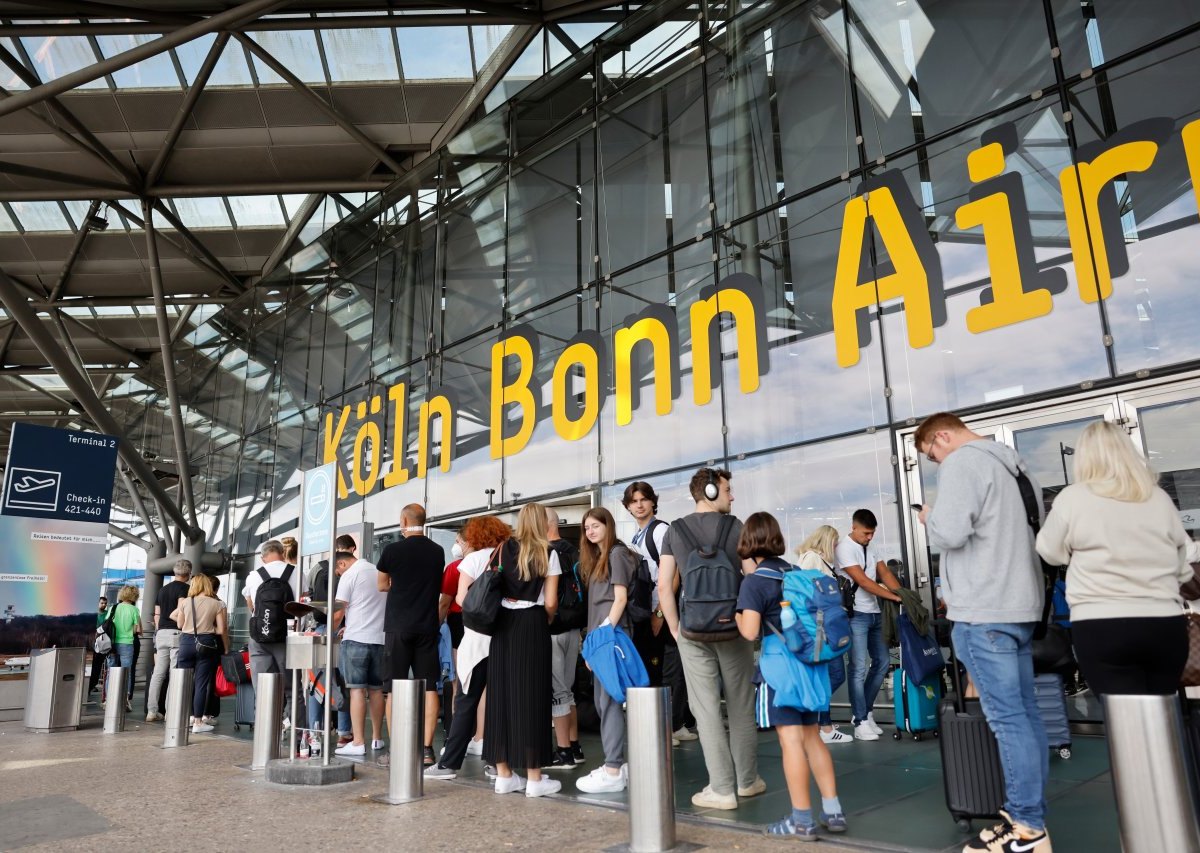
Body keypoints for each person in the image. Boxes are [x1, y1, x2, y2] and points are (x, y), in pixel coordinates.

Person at [916, 411, 1050, 853]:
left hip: (983, 609)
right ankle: (1028, 820)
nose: (935, 462)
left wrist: (928, 519)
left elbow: (950, 534)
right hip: (1019, 605)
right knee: (1026, 718)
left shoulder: (962, 462)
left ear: (942, 436)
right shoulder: (1015, 466)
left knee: (1008, 720)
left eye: (930, 453)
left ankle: (1027, 829)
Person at [1036, 420, 1193, 695]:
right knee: (1165, 716)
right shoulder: (1157, 497)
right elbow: (1184, 567)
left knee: (1125, 722)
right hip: (1164, 622)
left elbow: (1048, 550)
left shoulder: (1073, 498)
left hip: (1102, 623)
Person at [736, 512, 848, 840]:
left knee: (791, 742)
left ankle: (802, 820)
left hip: (780, 669)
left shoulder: (755, 582)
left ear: (748, 541)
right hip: (812, 666)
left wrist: (738, 614)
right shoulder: (796, 572)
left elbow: (750, 631)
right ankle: (833, 811)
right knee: (813, 738)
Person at [657, 467, 762, 810]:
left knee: (705, 711)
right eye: (728, 490)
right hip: (733, 628)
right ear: (712, 491)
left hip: (693, 629)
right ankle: (748, 782)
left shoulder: (675, 529)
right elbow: (752, 579)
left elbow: (664, 587)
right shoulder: (737, 527)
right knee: (741, 706)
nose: (732, 496)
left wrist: (675, 628)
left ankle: (721, 789)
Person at [484, 503, 561, 798]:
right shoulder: (548, 553)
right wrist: (547, 617)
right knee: (532, 696)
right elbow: (551, 602)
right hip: (532, 623)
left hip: (502, 624)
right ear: (543, 522)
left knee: (500, 695)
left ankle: (504, 775)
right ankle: (534, 778)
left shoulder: (503, 548)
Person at [426, 515, 510, 781]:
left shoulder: (471, 561)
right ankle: (499, 764)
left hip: (475, 639)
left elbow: (461, 598)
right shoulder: (508, 558)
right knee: (499, 702)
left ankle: (448, 764)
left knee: (465, 701)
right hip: (504, 638)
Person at [624, 481, 696, 746]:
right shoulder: (637, 536)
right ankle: (670, 723)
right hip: (647, 613)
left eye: (643, 499)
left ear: (653, 502)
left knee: (671, 669)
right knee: (656, 669)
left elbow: (673, 573)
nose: (639, 505)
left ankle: (675, 725)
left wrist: (659, 613)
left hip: (663, 612)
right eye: (634, 501)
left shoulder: (660, 530)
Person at [376, 503, 446, 765]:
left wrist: (398, 581)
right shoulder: (437, 551)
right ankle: (427, 749)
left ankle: (397, 749)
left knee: (393, 687)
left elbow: (382, 585)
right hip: (426, 626)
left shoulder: (392, 550)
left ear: (404, 520)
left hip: (398, 626)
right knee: (429, 686)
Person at [574, 507, 637, 793]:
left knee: (609, 701)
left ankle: (613, 767)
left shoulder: (616, 555)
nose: (590, 531)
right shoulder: (601, 558)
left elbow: (620, 599)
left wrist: (601, 636)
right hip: (602, 638)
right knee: (603, 701)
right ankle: (617, 764)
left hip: (610, 637)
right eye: (586, 527)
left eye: (595, 525)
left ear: (607, 526)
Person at [835, 509, 903, 741]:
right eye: (866, 533)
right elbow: (863, 581)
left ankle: (866, 712)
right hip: (855, 615)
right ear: (854, 528)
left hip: (875, 613)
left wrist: (901, 593)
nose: (870, 537)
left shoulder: (871, 547)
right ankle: (860, 720)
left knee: (883, 663)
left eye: (872, 533)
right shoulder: (844, 548)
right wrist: (892, 597)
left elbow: (883, 573)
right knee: (858, 667)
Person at [795, 526, 852, 745]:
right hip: (821, 629)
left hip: (825, 627)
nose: (837, 547)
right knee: (836, 675)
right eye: (835, 542)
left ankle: (823, 723)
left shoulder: (820, 561)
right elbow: (804, 592)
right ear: (827, 541)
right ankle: (820, 721)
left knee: (828, 676)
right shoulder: (812, 559)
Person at [333, 547, 388, 757]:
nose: (338, 575)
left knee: (356, 691)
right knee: (376, 690)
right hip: (379, 639)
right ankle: (377, 738)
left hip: (356, 640)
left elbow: (339, 611)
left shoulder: (349, 575)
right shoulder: (377, 571)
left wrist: (331, 630)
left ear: (342, 564)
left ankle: (357, 742)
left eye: (338, 571)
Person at [545, 506, 584, 769]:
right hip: (574, 628)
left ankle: (564, 752)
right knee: (568, 691)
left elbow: (548, 599)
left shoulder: (546, 552)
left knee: (558, 692)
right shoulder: (575, 551)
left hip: (553, 628)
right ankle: (575, 745)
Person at [244, 539, 298, 709]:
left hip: (259, 637)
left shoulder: (254, 575)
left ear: (263, 557)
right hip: (287, 636)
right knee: (291, 688)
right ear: (282, 553)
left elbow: (251, 605)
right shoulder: (297, 572)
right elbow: (302, 603)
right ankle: (294, 731)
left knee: (263, 687)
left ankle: (267, 729)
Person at [172, 574, 229, 734]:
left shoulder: (185, 602)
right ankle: (198, 721)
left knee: (183, 682)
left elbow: (180, 624)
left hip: (186, 643)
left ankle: (182, 717)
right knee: (201, 684)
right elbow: (221, 629)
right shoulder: (216, 604)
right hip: (206, 643)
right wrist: (210, 630)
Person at [146, 560, 191, 721]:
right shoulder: (185, 589)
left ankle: (152, 711)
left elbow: (156, 614)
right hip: (175, 632)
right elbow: (180, 610)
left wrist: (159, 630)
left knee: (158, 673)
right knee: (174, 673)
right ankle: (169, 711)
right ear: (189, 573)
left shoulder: (162, 590)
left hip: (161, 632)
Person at [107, 585, 141, 712]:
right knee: (127, 671)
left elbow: (107, 625)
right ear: (134, 596)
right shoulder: (134, 610)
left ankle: (109, 700)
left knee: (112, 670)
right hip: (127, 643)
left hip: (112, 644)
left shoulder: (113, 608)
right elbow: (135, 630)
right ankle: (125, 701)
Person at [87, 595, 109, 694]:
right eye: (102, 603)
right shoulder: (92, 614)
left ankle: (92, 685)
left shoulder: (107, 615)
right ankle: (89, 685)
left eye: (105, 603)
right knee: (91, 665)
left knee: (97, 666)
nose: (103, 605)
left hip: (102, 643)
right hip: (92, 643)